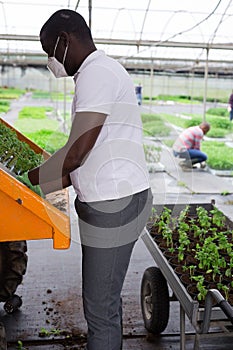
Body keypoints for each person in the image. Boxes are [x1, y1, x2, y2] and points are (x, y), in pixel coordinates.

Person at [19, 9, 152, 350]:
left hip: (114, 205)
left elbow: (77, 152)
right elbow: (82, 152)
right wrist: (44, 185)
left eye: (51, 51)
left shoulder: (98, 74)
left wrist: (26, 179)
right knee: (103, 299)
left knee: (100, 308)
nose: (51, 61)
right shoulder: (95, 74)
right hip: (109, 202)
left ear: (65, 41)